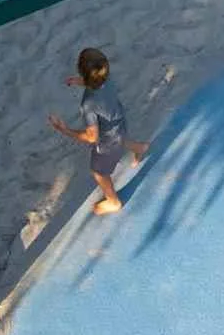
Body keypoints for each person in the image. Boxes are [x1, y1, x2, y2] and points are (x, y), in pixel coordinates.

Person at [49, 46, 150, 214]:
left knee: (99, 172)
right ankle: (140, 148)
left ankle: (113, 201)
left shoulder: (88, 104)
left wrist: (63, 129)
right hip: (118, 121)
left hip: (107, 140)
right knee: (120, 139)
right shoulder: (107, 77)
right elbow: (97, 82)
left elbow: (91, 137)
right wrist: (80, 82)